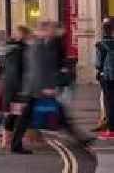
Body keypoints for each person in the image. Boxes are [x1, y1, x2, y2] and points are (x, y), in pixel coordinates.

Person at [11, 21, 91, 154]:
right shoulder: (38, 46)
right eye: (49, 29)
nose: (52, 32)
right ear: (43, 31)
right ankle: (80, 139)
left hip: (36, 89)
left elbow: (47, 68)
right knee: (28, 119)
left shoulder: (44, 44)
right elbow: (37, 70)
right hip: (36, 89)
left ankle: (80, 138)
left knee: (31, 119)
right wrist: (46, 88)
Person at [0, 26, 30, 147]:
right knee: (8, 114)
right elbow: (16, 70)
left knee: (5, 113)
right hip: (12, 87)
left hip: (7, 85)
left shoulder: (9, 47)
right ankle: (3, 139)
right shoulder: (18, 49)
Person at [96, 18, 114, 140]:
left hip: (107, 77)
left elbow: (97, 63)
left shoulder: (101, 44)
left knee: (109, 104)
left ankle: (111, 130)